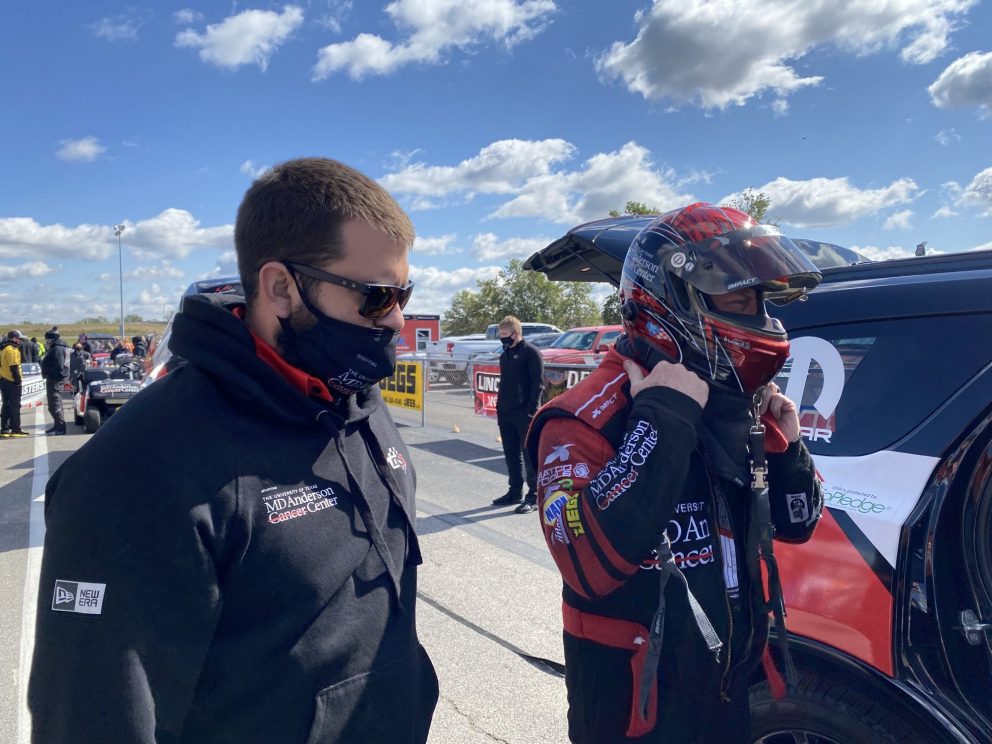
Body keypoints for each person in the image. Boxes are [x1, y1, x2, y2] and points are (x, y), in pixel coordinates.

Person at [30, 157, 439, 743]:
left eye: (404, 292)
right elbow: (95, 717)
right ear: (280, 288)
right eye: (376, 297)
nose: (397, 319)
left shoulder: (359, 403)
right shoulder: (139, 470)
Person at [525, 203, 825, 743]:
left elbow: (796, 522)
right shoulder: (582, 417)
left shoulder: (734, 402)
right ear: (667, 300)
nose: (755, 317)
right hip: (634, 710)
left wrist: (788, 447)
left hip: (728, 684)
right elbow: (586, 564)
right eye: (737, 299)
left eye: (759, 301)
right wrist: (664, 418)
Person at [491, 315, 544, 514]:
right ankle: (514, 491)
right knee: (511, 455)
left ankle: (534, 496)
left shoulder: (531, 353)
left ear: (516, 333)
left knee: (529, 455)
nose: (502, 338)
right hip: (505, 412)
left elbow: (538, 384)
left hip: (524, 414)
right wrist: (499, 408)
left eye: (505, 334)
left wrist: (530, 411)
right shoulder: (505, 354)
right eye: (500, 334)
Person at [40, 328, 69, 435]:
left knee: (55, 404)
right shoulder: (56, 348)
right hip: (53, 379)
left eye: (48, 338)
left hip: (55, 380)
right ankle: (57, 425)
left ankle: (60, 428)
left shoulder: (57, 349)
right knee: (53, 405)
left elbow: (59, 366)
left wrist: (50, 374)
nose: (46, 340)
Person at [0, 330, 29, 438]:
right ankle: (16, 429)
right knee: (15, 406)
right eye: (19, 339)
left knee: (6, 405)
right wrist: (18, 380)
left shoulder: (3, 348)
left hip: (3, 379)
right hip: (12, 381)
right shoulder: (12, 350)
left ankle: (5, 428)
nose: (20, 341)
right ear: (14, 338)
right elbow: (14, 367)